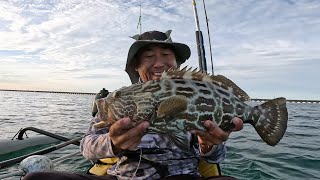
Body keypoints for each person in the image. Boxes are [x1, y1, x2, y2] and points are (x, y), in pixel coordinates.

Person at [23, 30, 243, 180]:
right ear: (136, 67)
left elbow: (215, 158)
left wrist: (208, 144)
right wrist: (113, 143)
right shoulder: (121, 99)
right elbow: (86, 147)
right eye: (149, 57)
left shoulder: (198, 94)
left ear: (176, 64)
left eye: (166, 55)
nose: (158, 63)